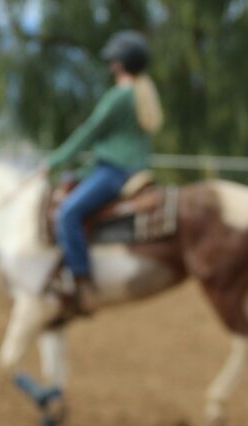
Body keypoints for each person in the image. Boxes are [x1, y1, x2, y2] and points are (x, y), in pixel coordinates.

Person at [45, 30, 164, 315]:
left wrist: (56, 160)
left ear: (120, 63)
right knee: (71, 190)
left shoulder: (119, 96)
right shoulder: (143, 93)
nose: (111, 65)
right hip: (129, 167)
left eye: (113, 60)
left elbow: (90, 132)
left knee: (68, 213)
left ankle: (81, 280)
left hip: (114, 170)